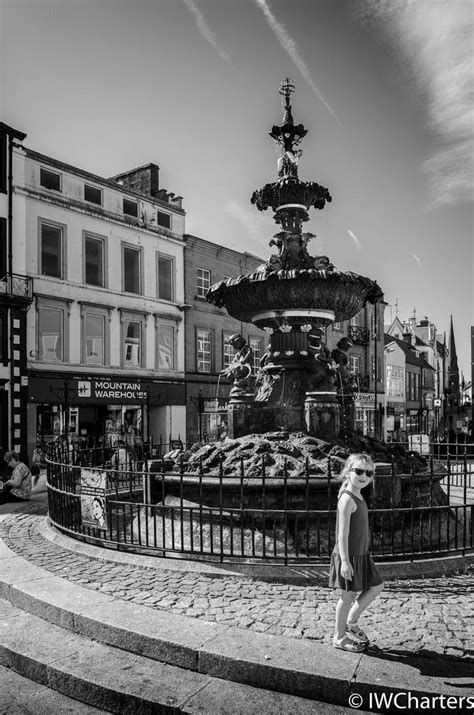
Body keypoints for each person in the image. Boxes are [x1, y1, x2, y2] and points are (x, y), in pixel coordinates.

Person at [329, 453, 384, 652]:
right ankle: (339, 637)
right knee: (347, 596)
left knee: (376, 587)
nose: (364, 476)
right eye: (359, 471)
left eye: (368, 473)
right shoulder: (347, 499)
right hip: (349, 556)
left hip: (360, 554)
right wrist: (345, 561)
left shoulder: (358, 495)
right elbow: (341, 535)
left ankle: (351, 621)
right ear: (348, 472)